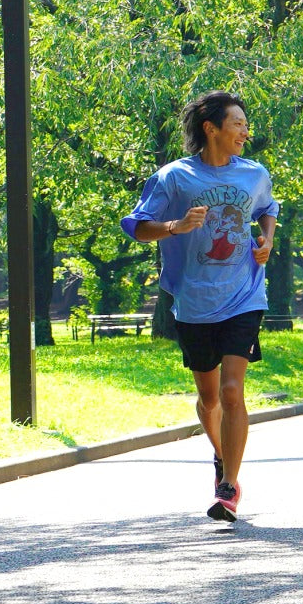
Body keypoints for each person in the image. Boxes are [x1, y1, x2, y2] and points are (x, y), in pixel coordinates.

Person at [121, 90, 278, 522]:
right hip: (193, 299)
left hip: (244, 295)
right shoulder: (174, 177)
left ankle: (228, 487)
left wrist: (266, 240)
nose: (246, 131)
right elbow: (137, 227)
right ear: (212, 129)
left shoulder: (254, 173)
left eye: (245, 123)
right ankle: (221, 455)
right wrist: (175, 225)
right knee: (208, 399)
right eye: (238, 124)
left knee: (231, 391)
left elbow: (267, 209)